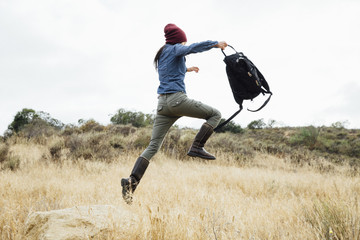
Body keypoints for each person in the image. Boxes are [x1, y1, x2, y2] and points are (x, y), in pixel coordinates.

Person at [121, 23, 228, 204]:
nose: (185, 45)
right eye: (183, 42)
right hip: (177, 101)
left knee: (153, 146)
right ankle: (197, 147)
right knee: (215, 114)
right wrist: (215, 43)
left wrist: (188, 69)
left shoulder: (163, 53)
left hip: (163, 105)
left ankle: (131, 182)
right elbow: (193, 48)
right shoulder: (176, 48)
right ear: (179, 40)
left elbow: (171, 70)